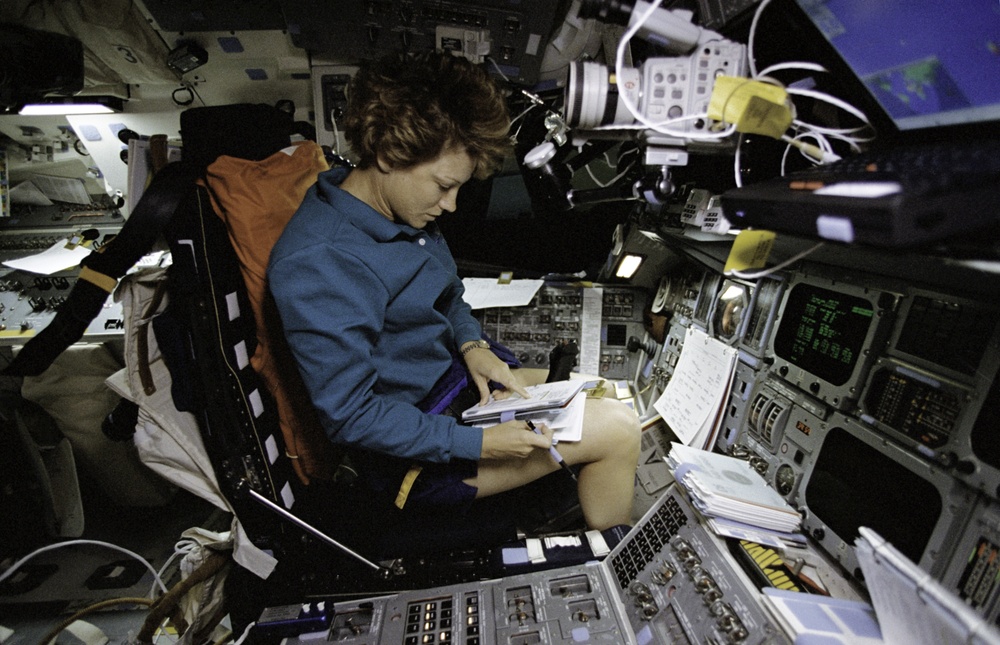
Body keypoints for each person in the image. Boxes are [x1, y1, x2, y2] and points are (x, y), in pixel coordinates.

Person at [267, 49, 640, 532]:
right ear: (386, 153)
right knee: (620, 431)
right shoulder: (320, 261)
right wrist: (483, 445)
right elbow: (352, 416)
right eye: (443, 185)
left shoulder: (399, 212)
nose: (451, 204)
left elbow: (447, 297)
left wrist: (472, 344)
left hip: (455, 391)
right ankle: (612, 569)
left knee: (608, 393)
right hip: (412, 453)